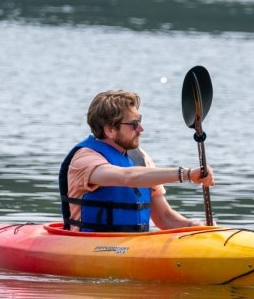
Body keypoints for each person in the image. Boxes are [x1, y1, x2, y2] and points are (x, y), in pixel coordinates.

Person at [59, 90, 215, 232]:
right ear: (110, 130)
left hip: (133, 247)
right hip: (90, 247)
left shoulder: (141, 159)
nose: (141, 128)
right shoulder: (85, 159)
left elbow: (165, 218)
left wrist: (194, 227)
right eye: (134, 124)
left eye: (139, 120)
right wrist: (186, 174)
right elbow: (127, 177)